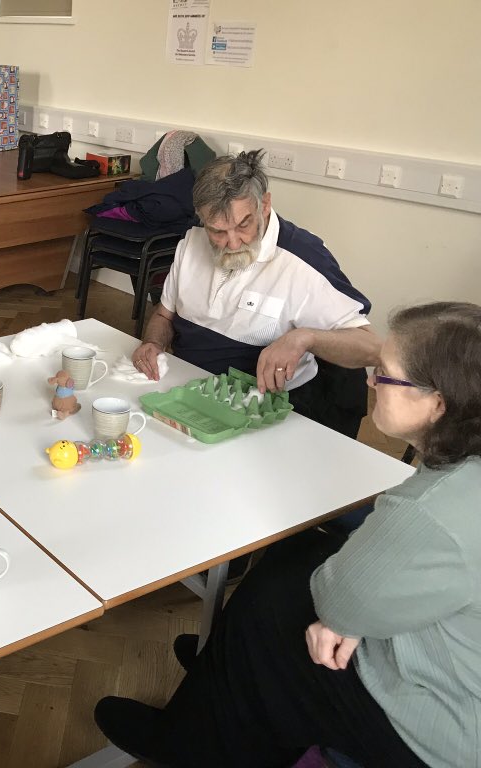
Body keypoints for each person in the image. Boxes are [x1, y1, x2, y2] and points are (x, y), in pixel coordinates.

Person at [97, 301, 481, 768]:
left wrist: (345, 620)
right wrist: (350, 615)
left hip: (444, 731)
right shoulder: (460, 471)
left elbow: (338, 599)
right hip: (452, 658)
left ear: (437, 403)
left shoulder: (432, 507)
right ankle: (222, 675)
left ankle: (192, 740)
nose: (370, 382)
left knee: (271, 606)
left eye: (384, 373)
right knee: (296, 555)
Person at [131, 149, 380, 438]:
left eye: (243, 225)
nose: (233, 243)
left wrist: (305, 338)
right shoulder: (190, 243)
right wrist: (153, 342)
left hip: (265, 413)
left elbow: (371, 347)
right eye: (217, 231)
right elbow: (164, 315)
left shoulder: (303, 261)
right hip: (194, 395)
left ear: (265, 205)